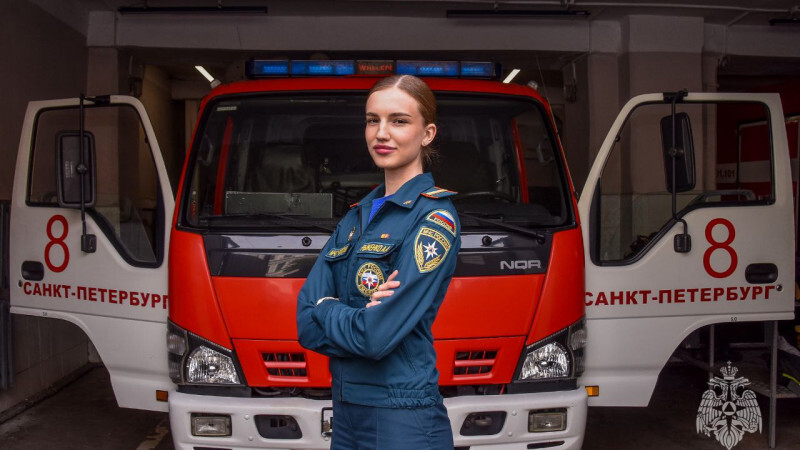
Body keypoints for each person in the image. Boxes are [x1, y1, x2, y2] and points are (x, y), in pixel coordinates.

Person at [296, 74, 460, 449]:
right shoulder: (357, 216)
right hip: (346, 414)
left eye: (398, 121)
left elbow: (376, 336)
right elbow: (305, 323)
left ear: (427, 133)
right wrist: (352, 316)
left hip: (403, 417)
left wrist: (326, 307)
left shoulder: (434, 220)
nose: (381, 133)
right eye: (373, 120)